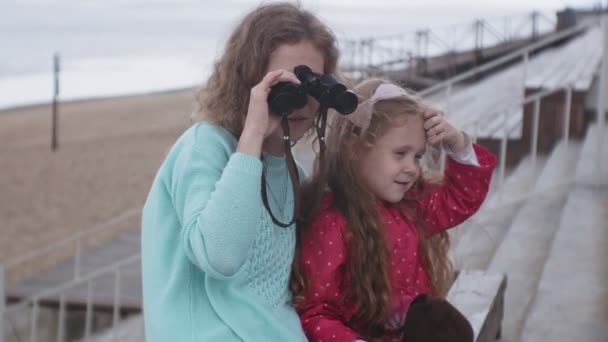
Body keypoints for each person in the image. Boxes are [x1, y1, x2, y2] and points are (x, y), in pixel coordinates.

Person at [140, 3, 340, 341]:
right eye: (286, 85)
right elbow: (220, 255)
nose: (302, 101)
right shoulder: (204, 146)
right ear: (249, 84)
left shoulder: (292, 172)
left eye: (313, 85)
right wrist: (254, 133)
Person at [290, 78, 497, 341]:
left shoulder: (413, 205)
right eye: (400, 154)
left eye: (418, 156)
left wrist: (458, 143)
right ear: (355, 149)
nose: (412, 167)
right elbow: (315, 311)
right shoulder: (332, 221)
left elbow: (462, 197)